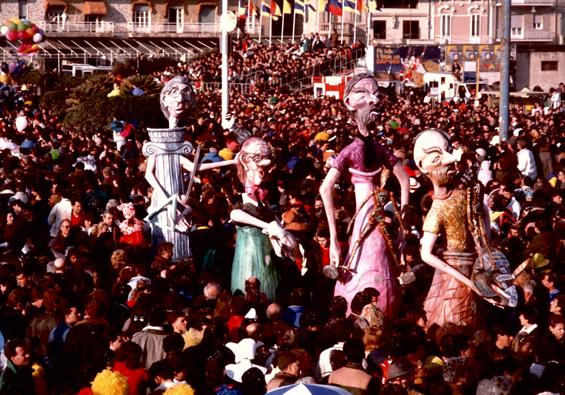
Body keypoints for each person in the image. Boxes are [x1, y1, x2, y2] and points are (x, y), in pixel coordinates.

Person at [319, 73, 409, 318]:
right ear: (348, 102)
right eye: (364, 93)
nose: (373, 100)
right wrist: (334, 237)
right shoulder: (351, 151)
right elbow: (325, 188)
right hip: (364, 217)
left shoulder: (379, 149)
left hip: (375, 217)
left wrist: (402, 221)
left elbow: (404, 179)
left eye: (377, 94)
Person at [144, 76, 236, 260]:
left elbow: (196, 167)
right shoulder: (158, 142)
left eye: (185, 95)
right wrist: (167, 199)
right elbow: (149, 175)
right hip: (164, 201)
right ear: (164, 99)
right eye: (174, 94)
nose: (180, 100)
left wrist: (232, 162)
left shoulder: (180, 143)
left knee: (182, 234)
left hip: (177, 200)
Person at [413, 129, 489, 328]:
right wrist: (465, 279)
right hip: (457, 272)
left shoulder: (467, 193)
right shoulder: (437, 208)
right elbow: (425, 254)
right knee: (454, 321)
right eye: (437, 157)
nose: (449, 159)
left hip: (474, 266)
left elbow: (483, 214)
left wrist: (485, 248)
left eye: (448, 151)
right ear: (422, 167)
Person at [230, 137, 300, 300]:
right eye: (260, 166)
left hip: (267, 260)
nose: (264, 172)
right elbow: (235, 215)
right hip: (250, 258)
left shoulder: (263, 205)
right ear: (246, 160)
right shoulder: (245, 203)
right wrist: (269, 226)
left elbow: (276, 225)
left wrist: (281, 232)